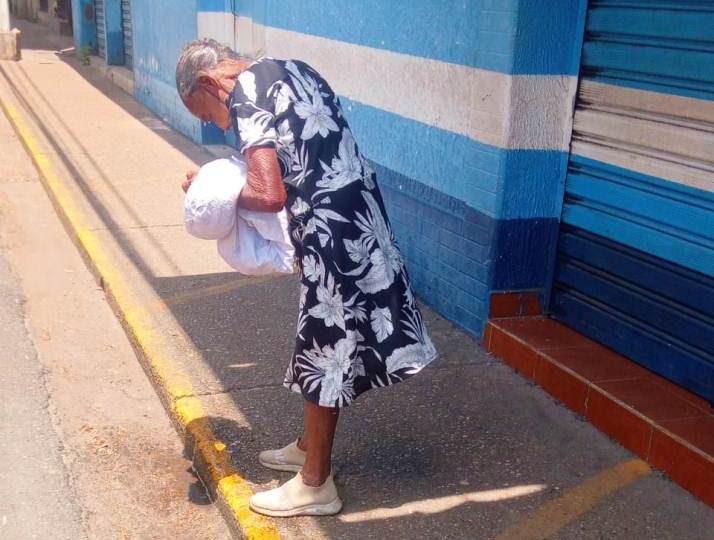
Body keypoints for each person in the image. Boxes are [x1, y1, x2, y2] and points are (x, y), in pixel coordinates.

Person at [176, 39, 437, 517]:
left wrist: (209, 194)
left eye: (209, 111)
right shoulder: (295, 68)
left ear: (212, 82)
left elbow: (267, 191)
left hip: (329, 235)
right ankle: (305, 447)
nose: (220, 122)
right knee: (324, 345)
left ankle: (315, 483)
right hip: (359, 220)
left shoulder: (246, 92)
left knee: (325, 349)